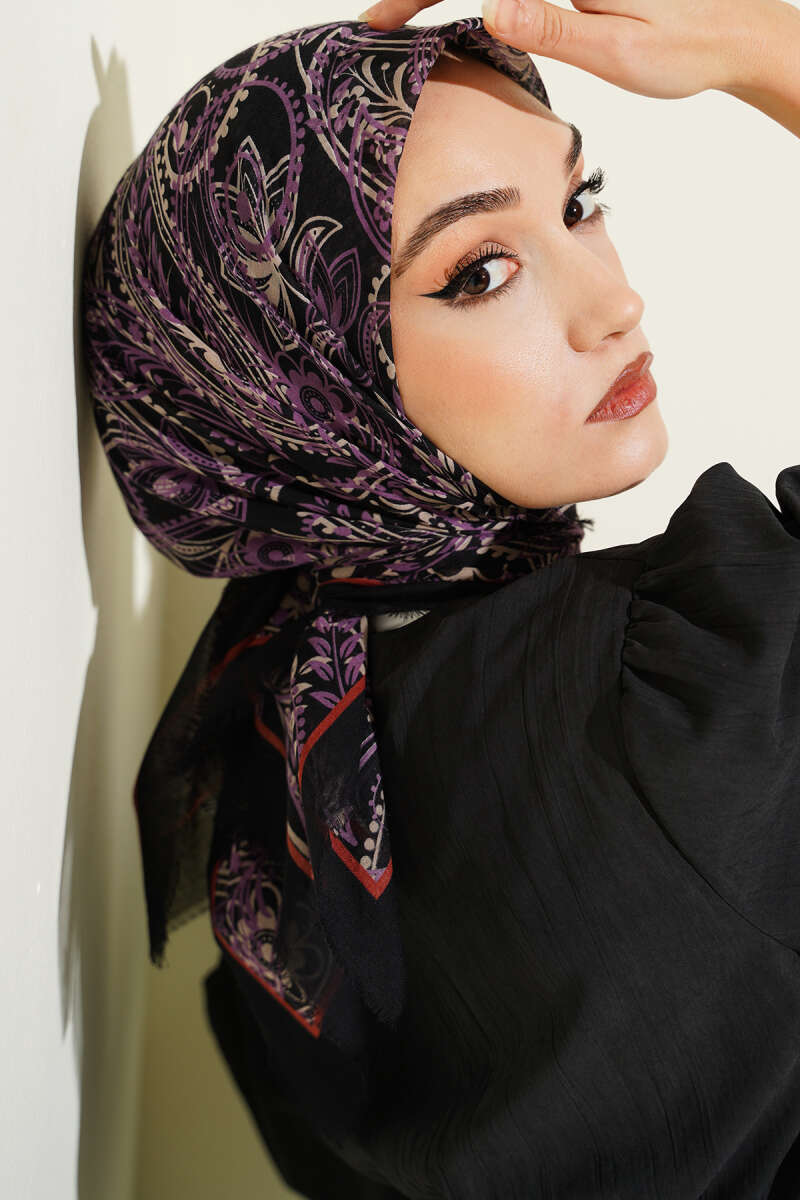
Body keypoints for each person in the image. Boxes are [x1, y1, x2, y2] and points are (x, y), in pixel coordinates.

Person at [79, 2, 800, 1197]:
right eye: (479, 272)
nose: (610, 304)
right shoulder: (684, 706)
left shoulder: (287, 792)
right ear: (299, 380)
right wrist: (770, 50)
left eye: (579, 200)